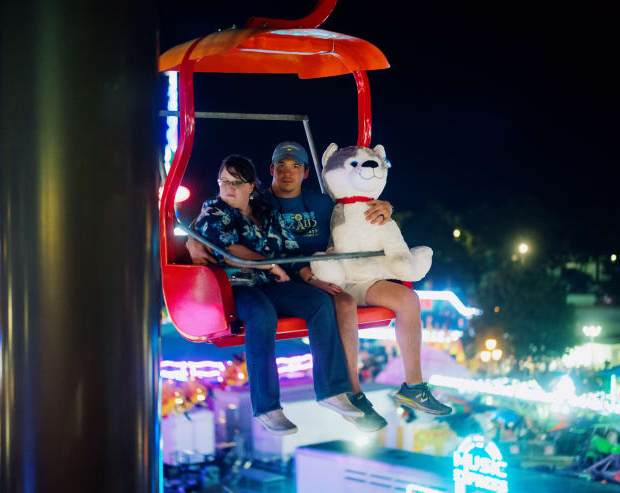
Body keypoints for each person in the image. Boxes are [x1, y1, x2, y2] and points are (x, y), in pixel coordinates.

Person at [189, 142, 451, 431]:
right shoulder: (228, 207)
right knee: (270, 313)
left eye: (295, 167)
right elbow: (211, 230)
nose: (287, 173)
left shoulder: (290, 208)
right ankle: (293, 402)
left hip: (298, 276)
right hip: (241, 285)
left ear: (304, 172)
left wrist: (386, 205)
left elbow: (348, 207)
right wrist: (194, 239)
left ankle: (364, 389)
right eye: (225, 181)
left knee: (350, 301)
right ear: (270, 171)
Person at [193, 154, 363, 435]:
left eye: (236, 182)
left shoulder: (266, 212)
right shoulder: (213, 212)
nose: (228, 188)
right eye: (224, 181)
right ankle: (267, 407)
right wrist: (270, 264)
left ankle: (332, 390)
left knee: (320, 303)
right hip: (234, 287)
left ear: (251, 186)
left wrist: (311, 278)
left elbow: (291, 251)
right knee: (261, 313)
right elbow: (230, 251)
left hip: (270, 284)